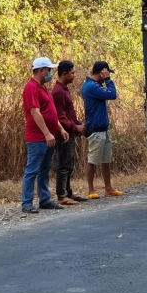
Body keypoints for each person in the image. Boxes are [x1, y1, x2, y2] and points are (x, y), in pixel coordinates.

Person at [21, 57, 69, 213]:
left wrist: (60, 128)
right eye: (49, 70)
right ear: (41, 70)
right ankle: (27, 202)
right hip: (37, 137)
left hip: (50, 136)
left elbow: (50, 113)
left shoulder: (43, 88)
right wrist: (47, 133)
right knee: (32, 170)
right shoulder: (31, 88)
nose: (50, 73)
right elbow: (35, 112)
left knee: (44, 169)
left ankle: (44, 199)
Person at [81, 61, 125, 199]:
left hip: (103, 128)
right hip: (95, 128)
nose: (107, 75)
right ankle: (91, 190)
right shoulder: (91, 86)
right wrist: (108, 80)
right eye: (106, 73)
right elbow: (112, 94)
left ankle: (108, 188)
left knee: (106, 160)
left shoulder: (96, 86)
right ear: (101, 72)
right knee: (93, 160)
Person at [52, 60, 88, 205]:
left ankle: (68, 192)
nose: (74, 76)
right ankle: (61, 195)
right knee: (63, 164)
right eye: (72, 73)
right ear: (64, 74)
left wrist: (79, 124)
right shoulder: (58, 92)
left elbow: (69, 114)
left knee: (69, 164)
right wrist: (75, 127)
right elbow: (60, 117)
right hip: (63, 135)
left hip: (70, 132)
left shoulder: (65, 89)